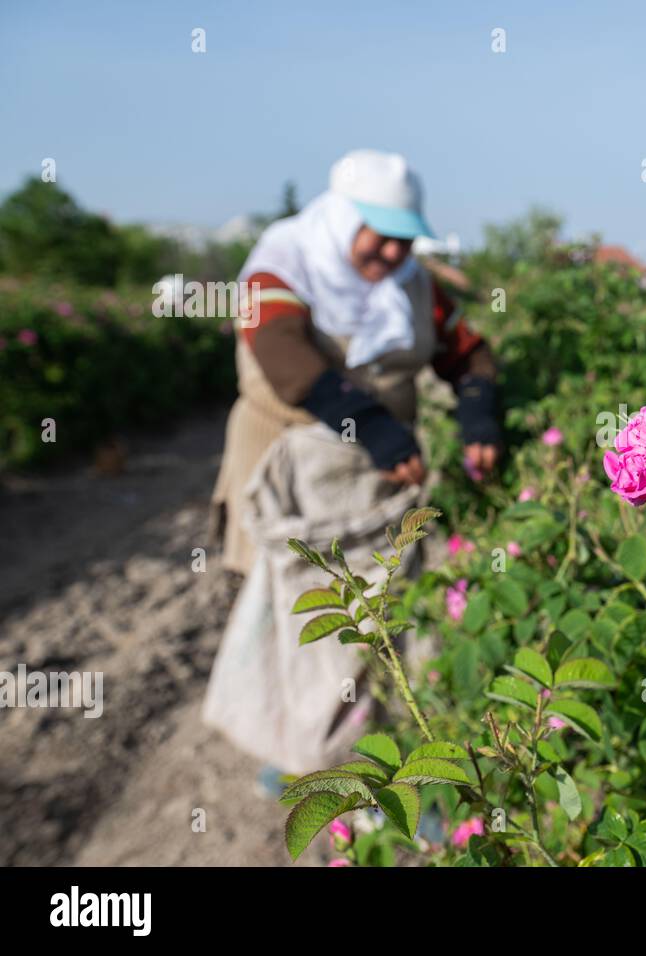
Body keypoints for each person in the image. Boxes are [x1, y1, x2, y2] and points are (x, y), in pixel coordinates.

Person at [204, 149, 502, 780]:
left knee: (376, 614)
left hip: (375, 474)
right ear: (342, 220)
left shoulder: (414, 288)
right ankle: (291, 750)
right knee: (289, 608)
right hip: (287, 464)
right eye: (383, 238)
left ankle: (381, 755)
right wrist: (372, 426)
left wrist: (479, 413)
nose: (394, 255)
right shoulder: (280, 267)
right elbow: (286, 358)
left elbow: (467, 353)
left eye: (405, 242)